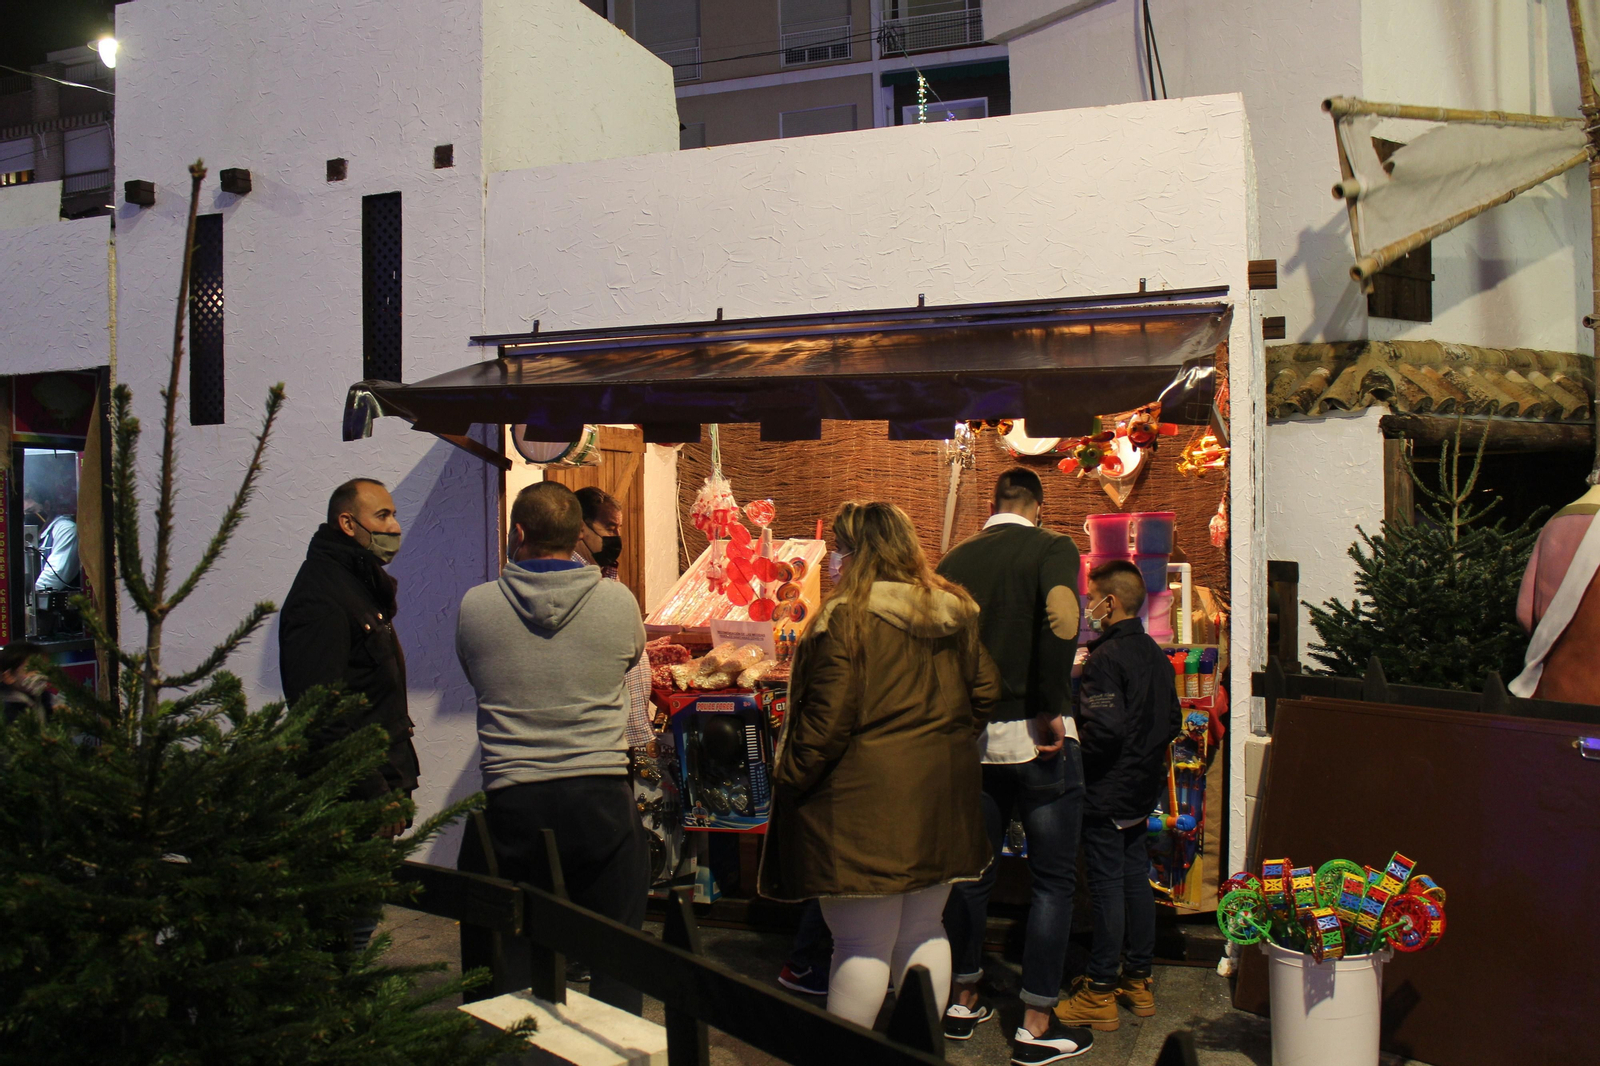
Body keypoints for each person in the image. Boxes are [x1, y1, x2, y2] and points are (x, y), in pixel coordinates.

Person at [758, 501, 1001, 1031]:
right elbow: (986, 692)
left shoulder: (844, 618)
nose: (834, 562)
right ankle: (921, 1049)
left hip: (860, 807)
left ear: (856, 552)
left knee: (861, 942)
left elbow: (825, 726)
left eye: (839, 550)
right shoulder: (953, 608)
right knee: (924, 928)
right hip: (942, 798)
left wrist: (788, 779)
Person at [456, 481, 649, 1014]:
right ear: (578, 535)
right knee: (615, 954)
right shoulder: (617, 601)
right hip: (601, 797)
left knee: (508, 955)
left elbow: (475, 673)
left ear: (518, 533)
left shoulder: (477, 605)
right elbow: (631, 660)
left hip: (513, 799)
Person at [937, 467, 1094, 1064]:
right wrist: (1051, 707)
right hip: (1038, 737)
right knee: (1052, 881)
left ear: (995, 503)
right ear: (1038, 505)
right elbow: (1061, 617)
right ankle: (1034, 1022)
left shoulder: (955, 558)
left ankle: (965, 995)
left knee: (972, 872)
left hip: (974, 740)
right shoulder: (1052, 546)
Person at [1054, 560, 1180, 1033]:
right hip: (1140, 787)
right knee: (1133, 879)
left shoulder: (1103, 658)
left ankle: (1101, 990)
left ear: (1111, 602)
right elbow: (1170, 721)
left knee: (1107, 886)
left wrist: (1073, 742)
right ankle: (1138, 979)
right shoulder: (1152, 650)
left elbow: (1103, 730)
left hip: (1106, 789)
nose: (1089, 608)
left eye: (1092, 599)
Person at [280, 478, 419, 832]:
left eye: (394, 515)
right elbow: (317, 710)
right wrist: (372, 790)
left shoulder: (359, 583)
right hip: (349, 804)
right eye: (383, 515)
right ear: (347, 523)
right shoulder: (322, 595)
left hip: (381, 781)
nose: (394, 527)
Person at [0, 642, 52, 727]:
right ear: (8, 677)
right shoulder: (6, 709)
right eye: (32, 669)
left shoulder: (43, 697)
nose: (41, 674)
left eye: (45, 668)